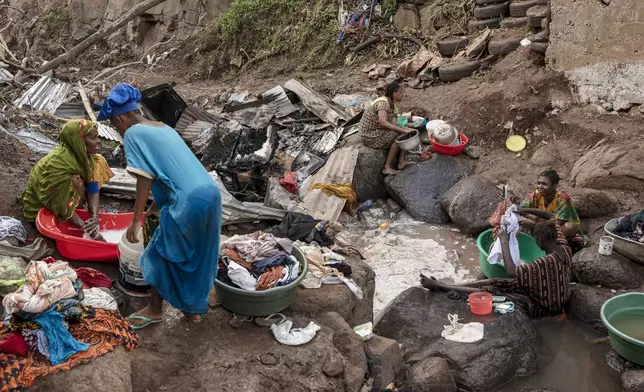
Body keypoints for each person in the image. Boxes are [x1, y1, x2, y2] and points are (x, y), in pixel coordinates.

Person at [97, 83, 222, 329]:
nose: (118, 131)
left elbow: (145, 177)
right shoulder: (164, 128)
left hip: (187, 201)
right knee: (199, 255)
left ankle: (154, 310)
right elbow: (172, 170)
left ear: (121, 117)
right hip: (210, 194)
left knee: (158, 254)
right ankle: (195, 310)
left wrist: (135, 220)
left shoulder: (134, 134)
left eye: (115, 125)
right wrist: (155, 205)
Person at [421, 219, 572, 318]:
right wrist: (521, 220)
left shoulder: (543, 264)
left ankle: (440, 286)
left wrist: (504, 241)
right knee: (495, 281)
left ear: (539, 241)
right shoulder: (564, 247)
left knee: (493, 293)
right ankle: (449, 286)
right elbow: (551, 217)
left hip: (544, 307)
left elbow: (511, 271)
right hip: (555, 296)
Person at [19, 120, 113, 240]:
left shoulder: (90, 159)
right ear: (78, 141)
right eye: (93, 138)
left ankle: (74, 210)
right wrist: (88, 229)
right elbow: (58, 203)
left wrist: (94, 216)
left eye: (97, 137)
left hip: (64, 202)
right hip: (45, 207)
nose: (98, 141)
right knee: (76, 180)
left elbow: (92, 188)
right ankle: (70, 214)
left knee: (87, 173)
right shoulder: (57, 164)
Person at [518, 170, 587, 253]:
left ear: (554, 186)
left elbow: (557, 224)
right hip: (545, 227)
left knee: (569, 227)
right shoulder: (536, 195)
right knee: (533, 217)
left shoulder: (562, 198)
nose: (540, 186)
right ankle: (542, 248)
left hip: (561, 231)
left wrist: (533, 224)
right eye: (539, 183)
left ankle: (557, 251)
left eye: (544, 184)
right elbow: (521, 209)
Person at [358, 80, 415, 175]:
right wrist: (403, 130)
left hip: (379, 130)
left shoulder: (394, 106)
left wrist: (406, 129)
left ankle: (401, 162)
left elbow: (394, 125)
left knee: (402, 134)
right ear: (394, 94)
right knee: (398, 138)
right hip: (370, 134)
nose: (402, 95)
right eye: (400, 93)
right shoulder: (382, 103)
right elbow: (383, 122)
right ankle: (387, 167)